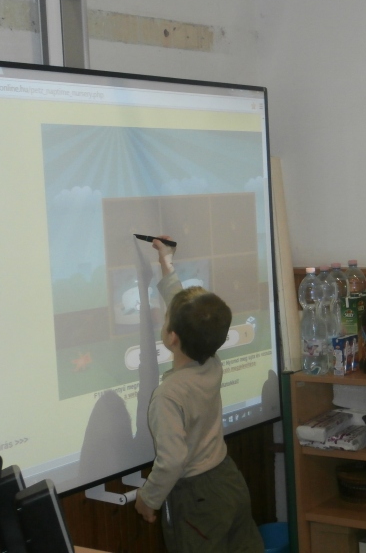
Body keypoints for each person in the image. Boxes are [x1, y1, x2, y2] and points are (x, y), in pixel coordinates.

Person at [135, 235, 263, 553]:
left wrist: (148, 499)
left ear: (172, 337)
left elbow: (172, 460)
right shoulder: (212, 363)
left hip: (196, 499)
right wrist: (166, 263)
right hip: (228, 479)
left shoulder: (168, 395)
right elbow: (186, 313)